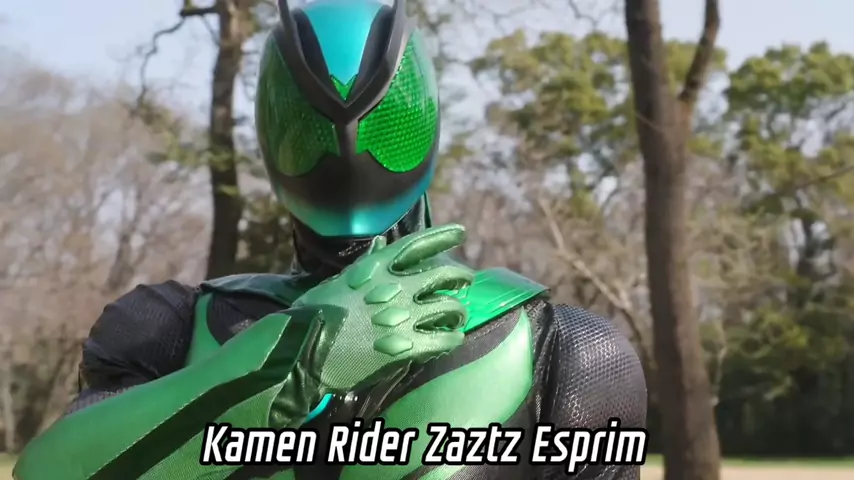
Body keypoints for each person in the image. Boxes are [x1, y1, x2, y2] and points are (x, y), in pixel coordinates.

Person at [14, 0, 647, 479]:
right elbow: (51, 471)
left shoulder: (565, 352)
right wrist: (278, 366)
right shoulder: (166, 328)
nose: (346, 133)